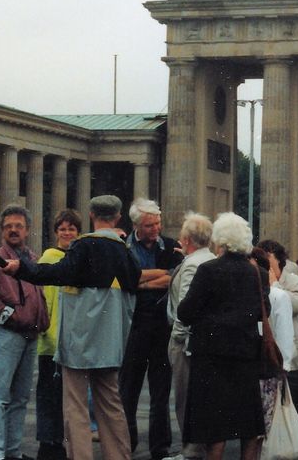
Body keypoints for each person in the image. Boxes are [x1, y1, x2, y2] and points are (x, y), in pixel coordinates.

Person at [6, 195, 141, 460]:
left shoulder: (83, 246)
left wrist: (20, 268)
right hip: (110, 342)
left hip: (78, 341)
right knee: (111, 404)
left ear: (91, 215)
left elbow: (53, 273)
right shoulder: (126, 253)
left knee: (76, 406)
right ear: (117, 217)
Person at [176, 212, 267, 460]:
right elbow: (264, 311)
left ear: (220, 240)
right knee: (248, 424)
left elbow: (185, 312)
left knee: (215, 426)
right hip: (245, 354)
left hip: (211, 355)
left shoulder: (208, 270)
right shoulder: (257, 273)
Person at [0, 205, 49, 460]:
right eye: (8, 226)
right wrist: (9, 315)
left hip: (30, 335)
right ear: (2, 231)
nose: (13, 230)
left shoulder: (31, 258)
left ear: (27, 230)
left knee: (20, 398)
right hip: (7, 335)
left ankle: (12, 451)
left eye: (18, 226)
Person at [120, 197, 181, 460]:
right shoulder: (123, 247)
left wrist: (140, 281)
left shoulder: (171, 245)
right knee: (128, 389)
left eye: (157, 223)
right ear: (136, 225)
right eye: (149, 225)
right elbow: (125, 279)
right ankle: (127, 441)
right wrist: (159, 275)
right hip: (133, 325)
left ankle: (160, 446)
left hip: (161, 326)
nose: (156, 228)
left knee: (160, 390)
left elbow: (174, 277)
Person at [165, 212, 215, 460]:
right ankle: (197, 447)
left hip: (186, 342)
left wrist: (177, 337)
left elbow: (185, 307)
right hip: (202, 341)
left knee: (185, 397)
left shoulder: (193, 264)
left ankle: (191, 450)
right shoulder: (209, 259)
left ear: (187, 239)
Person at [34, 209, 81, 460]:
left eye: (71, 229)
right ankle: (48, 444)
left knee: (65, 397)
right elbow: (43, 299)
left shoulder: (78, 258)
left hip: (71, 340)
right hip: (52, 339)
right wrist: (44, 329)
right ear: (56, 233)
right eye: (62, 229)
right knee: (50, 395)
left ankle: (57, 442)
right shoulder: (49, 257)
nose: (67, 233)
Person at [261, 240, 298, 454]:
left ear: (279, 260)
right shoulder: (257, 280)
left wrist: (274, 284)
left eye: (269, 260)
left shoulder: (295, 281)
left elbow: (295, 305)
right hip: (269, 355)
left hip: (296, 357)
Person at [250, 247, 294, 433]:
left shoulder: (278, 296)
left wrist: (284, 368)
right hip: (249, 366)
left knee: (267, 424)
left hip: (269, 366)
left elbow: (285, 334)